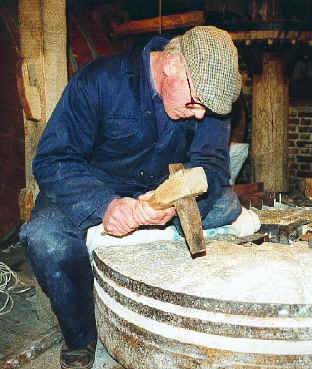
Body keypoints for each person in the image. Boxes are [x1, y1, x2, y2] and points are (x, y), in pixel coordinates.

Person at [19, 26, 243, 369]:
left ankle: (152, 248)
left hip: (161, 186)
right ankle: (82, 334)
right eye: (197, 103)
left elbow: (211, 165)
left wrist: (175, 201)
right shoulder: (98, 81)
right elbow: (53, 159)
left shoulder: (206, 96)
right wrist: (105, 205)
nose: (201, 114)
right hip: (92, 184)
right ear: (171, 64)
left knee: (227, 205)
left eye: (207, 108)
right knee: (45, 238)